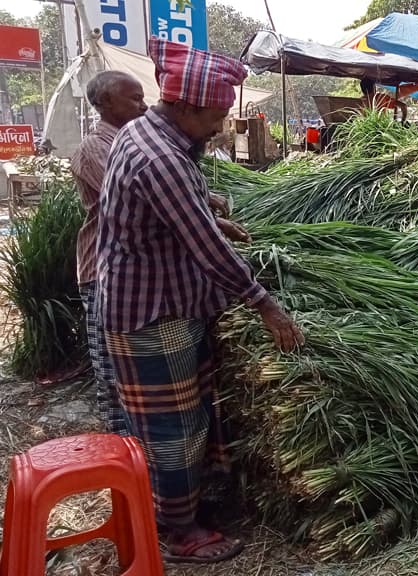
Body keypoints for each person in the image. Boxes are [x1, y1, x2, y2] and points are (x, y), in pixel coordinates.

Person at [97, 37, 304, 564]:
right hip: (151, 315)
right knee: (173, 428)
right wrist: (266, 304)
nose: (219, 127)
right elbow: (208, 250)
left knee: (185, 418)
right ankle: (178, 532)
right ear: (185, 107)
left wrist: (207, 209)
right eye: (214, 116)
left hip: (162, 302)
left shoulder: (147, 130)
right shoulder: (159, 156)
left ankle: (181, 509)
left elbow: (179, 212)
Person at [70, 71, 147, 438]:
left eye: (142, 97)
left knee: (135, 365)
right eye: (133, 99)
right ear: (105, 104)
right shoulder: (95, 149)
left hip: (128, 267)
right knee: (113, 367)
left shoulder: (135, 143)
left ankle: (141, 455)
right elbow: (131, 198)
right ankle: (122, 453)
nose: (143, 106)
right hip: (102, 269)